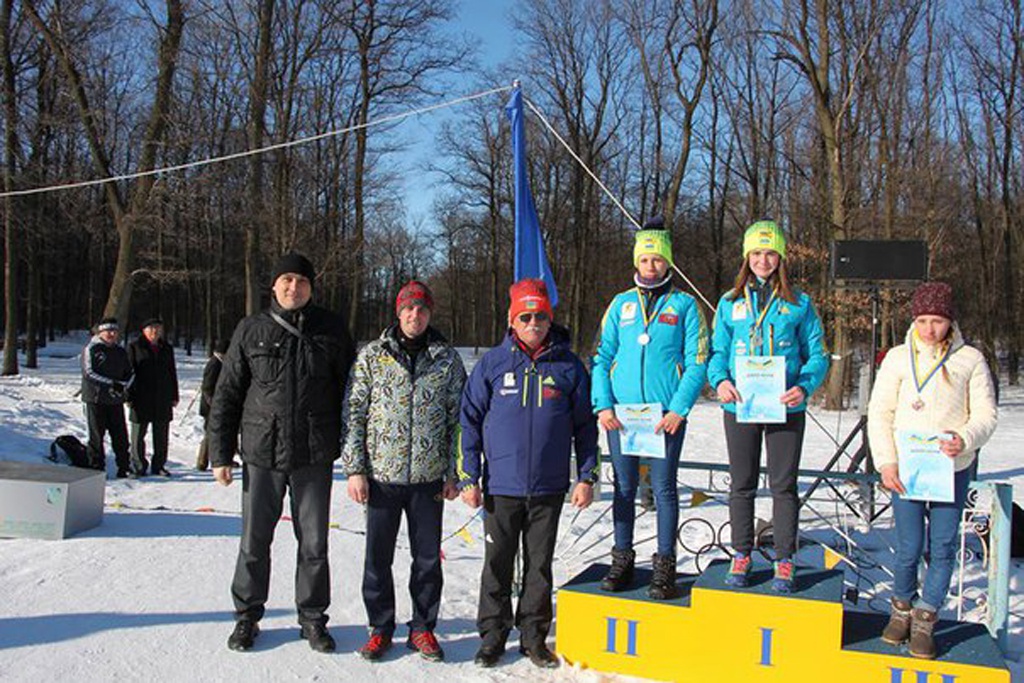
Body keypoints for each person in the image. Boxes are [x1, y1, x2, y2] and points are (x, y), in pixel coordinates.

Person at [208, 252, 355, 653]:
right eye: (287, 279)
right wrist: (220, 453)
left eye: (302, 281)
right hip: (262, 453)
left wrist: (356, 454)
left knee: (314, 545)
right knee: (254, 542)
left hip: (313, 454)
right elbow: (227, 394)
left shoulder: (332, 330)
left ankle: (312, 618)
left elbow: (353, 395)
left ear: (311, 287)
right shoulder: (250, 329)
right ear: (274, 285)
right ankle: (247, 616)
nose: (294, 287)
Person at [458, 278, 599, 670]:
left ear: (550, 320)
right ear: (512, 319)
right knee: (497, 564)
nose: (533, 323)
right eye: (525, 317)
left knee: (539, 566)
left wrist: (587, 476)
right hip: (501, 486)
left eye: (540, 317)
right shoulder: (492, 364)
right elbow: (468, 422)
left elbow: (586, 426)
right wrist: (469, 475)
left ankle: (534, 637)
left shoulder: (569, 366)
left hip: (548, 487)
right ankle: (492, 636)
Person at [868, 281, 997, 658]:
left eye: (937, 321)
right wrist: (886, 462)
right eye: (922, 320)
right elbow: (880, 413)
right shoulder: (897, 358)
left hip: (950, 469)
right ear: (914, 320)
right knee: (908, 546)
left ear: (950, 321)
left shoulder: (969, 359)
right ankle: (901, 608)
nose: (929, 329)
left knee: (941, 545)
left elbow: (986, 414)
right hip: (906, 470)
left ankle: (926, 617)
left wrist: (964, 438)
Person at [342, 281, 466, 662]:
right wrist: (355, 469)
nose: (416, 315)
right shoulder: (372, 356)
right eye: (409, 309)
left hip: (428, 480)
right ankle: (380, 628)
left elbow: (459, 420)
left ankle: (422, 627)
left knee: (427, 559)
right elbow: (354, 412)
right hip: (382, 477)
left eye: (422, 309)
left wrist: (454, 471)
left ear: (430, 314)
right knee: (377, 557)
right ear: (398, 312)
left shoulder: (447, 360)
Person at [707, 220, 829, 592]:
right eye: (757, 253)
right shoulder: (729, 303)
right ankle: (741, 553)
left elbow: (818, 355)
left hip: (785, 407)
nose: (763, 260)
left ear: (781, 257)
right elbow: (716, 353)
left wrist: (804, 387)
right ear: (747, 256)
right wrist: (720, 381)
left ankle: (785, 558)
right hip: (740, 406)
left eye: (771, 253)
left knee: (783, 485)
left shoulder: (799, 303)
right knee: (742, 484)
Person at [591, 217, 709, 599]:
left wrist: (679, 409)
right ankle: (622, 560)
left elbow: (698, 361)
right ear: (636, 262)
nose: (651, 266)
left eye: (657, 259)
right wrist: (603, 405)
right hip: (621, 417)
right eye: (644, 259)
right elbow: (601, 357)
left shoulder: (685, 305)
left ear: (668, 261)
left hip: (664, 417)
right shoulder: (620, 304)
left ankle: (664, 566)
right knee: (624, 488)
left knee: (663, 489)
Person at [80, 317, 135, 478]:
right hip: (95, 399)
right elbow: (88, 373)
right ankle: (96, 468)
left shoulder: (120, 351)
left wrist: (123, 386)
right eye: (108, 331)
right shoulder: (91, 349)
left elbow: (130, 373)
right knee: (97, 435)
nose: (111, 334)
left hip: (115, 400)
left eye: (114, 331)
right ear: (100, 332)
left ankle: (124, 466)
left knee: (120, 435)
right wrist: (112, 384)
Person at [127, 318, 179, 476]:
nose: (154, 331)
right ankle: (138, 464)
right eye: (151, 328)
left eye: (157, 328)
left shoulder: (166, 348)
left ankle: (159, 465)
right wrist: (128, 396)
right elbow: (128, 373)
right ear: (144, 330)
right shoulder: (135, 347)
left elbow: (172, 372)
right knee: (138, 434)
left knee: (161, 434)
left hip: (162, 396)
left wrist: (174, 394)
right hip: (140, 396)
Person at [195, 339, 231, 472]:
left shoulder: (221, 363)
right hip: (211, 406)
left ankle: (224, 458)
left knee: (220, 433)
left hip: (219, 404)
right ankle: (202, 461)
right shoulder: (214, 364)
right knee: (210, 433)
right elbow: (207, 387)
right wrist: (214, 404)